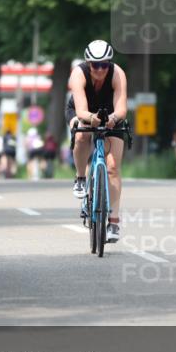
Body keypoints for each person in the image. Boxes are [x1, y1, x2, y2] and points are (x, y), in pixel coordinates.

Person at [66, 39, 129, 242]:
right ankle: (81, 178)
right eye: (95, 65)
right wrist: (89, 119)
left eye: (104, 65)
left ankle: (114, 222)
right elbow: (81, 109)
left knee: (112, 167)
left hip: (111, 114)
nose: (100, 69)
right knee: (82, 134)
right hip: (82, 109)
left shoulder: (117, 73)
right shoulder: (78, 73)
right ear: (88, 62)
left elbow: (121, 109)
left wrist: (112, 119)